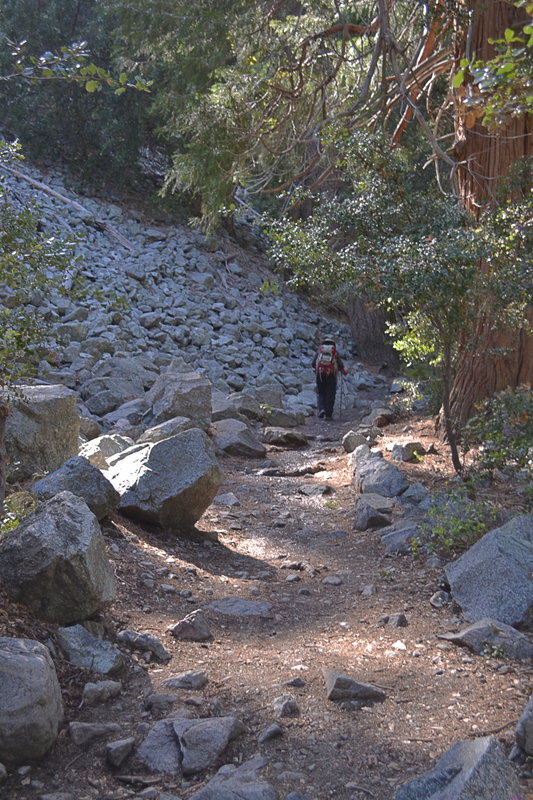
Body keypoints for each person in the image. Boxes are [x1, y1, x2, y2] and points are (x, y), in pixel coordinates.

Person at [312, 337, 347, 420]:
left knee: (321, 393)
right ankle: (328, 415)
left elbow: (313, 364)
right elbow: (341, 365)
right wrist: (342, 370)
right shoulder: (334, 353)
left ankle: (322, 409)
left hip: (320, 375)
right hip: (331, 375)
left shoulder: (320, 351)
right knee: (330, 394)